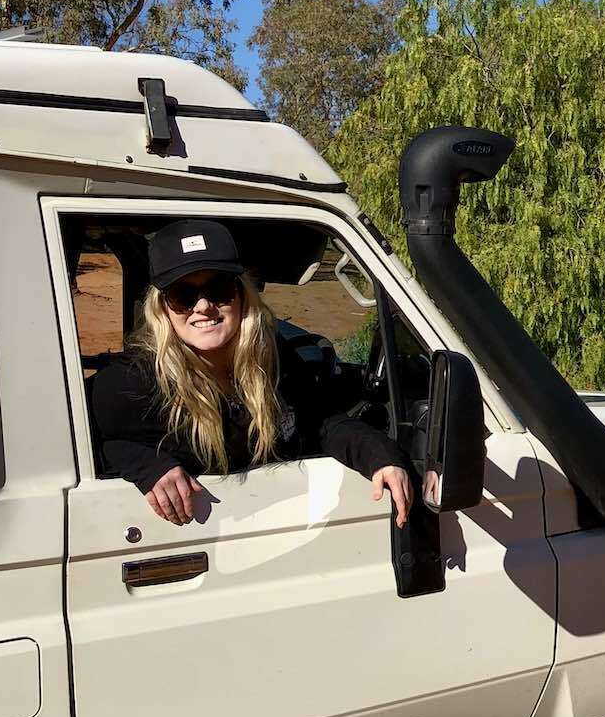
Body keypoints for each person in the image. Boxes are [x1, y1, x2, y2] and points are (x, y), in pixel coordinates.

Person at [90, 218, 414, 528]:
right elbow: (79, 442)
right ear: (163, 308)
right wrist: (144, 464)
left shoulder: (274, 360)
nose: (203, 306)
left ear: (242, 295)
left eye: (218, 289)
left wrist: (381, 457)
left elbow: (321, 423)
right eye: (183, 296)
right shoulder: (131, 382)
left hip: (275, 526)